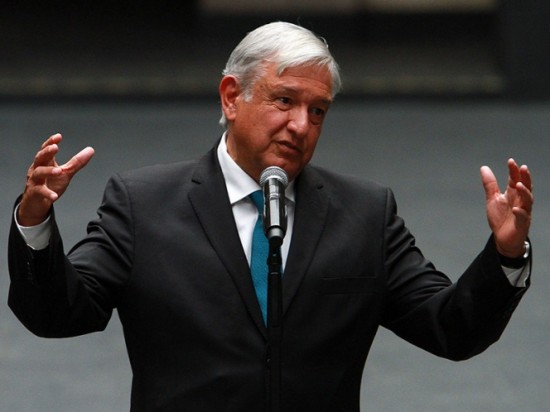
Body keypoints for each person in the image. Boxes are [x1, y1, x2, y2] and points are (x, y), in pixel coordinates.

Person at [8, 22, 533, 411]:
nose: (301, 125)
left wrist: (506, 254)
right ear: (231, 97)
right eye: (284, 100)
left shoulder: (365, 214)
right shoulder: (143, 204)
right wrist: (35, 222)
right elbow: (60, 315)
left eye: (317, 110)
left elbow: (450, 329)